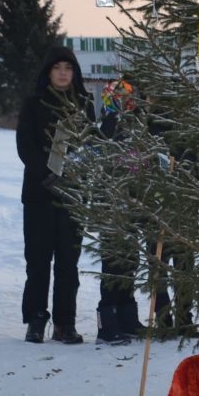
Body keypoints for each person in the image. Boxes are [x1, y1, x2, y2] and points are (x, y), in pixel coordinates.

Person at [17, 46, 94, 344]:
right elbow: (25, 146)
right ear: (48, 72)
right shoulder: (33, 104)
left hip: (73, 195)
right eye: (57, 68)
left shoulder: (84, 104)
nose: (63, 73)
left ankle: (66, 323)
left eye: (68, 68)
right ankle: (36, 320)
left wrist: (78, 176)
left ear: (74, 73)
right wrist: (46, 174)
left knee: (68, 262)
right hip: (39, 193)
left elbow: (89, 145)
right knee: (37, 260)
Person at [90, 79, 143, 346]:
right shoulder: (106, 128)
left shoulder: (137, 128)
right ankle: (106, 321)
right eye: (118, 97)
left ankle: (127, 315)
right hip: (110, 206)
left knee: (130, 261)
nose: (123, 102)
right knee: (112, 264)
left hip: (132, 203)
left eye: (127, 97)